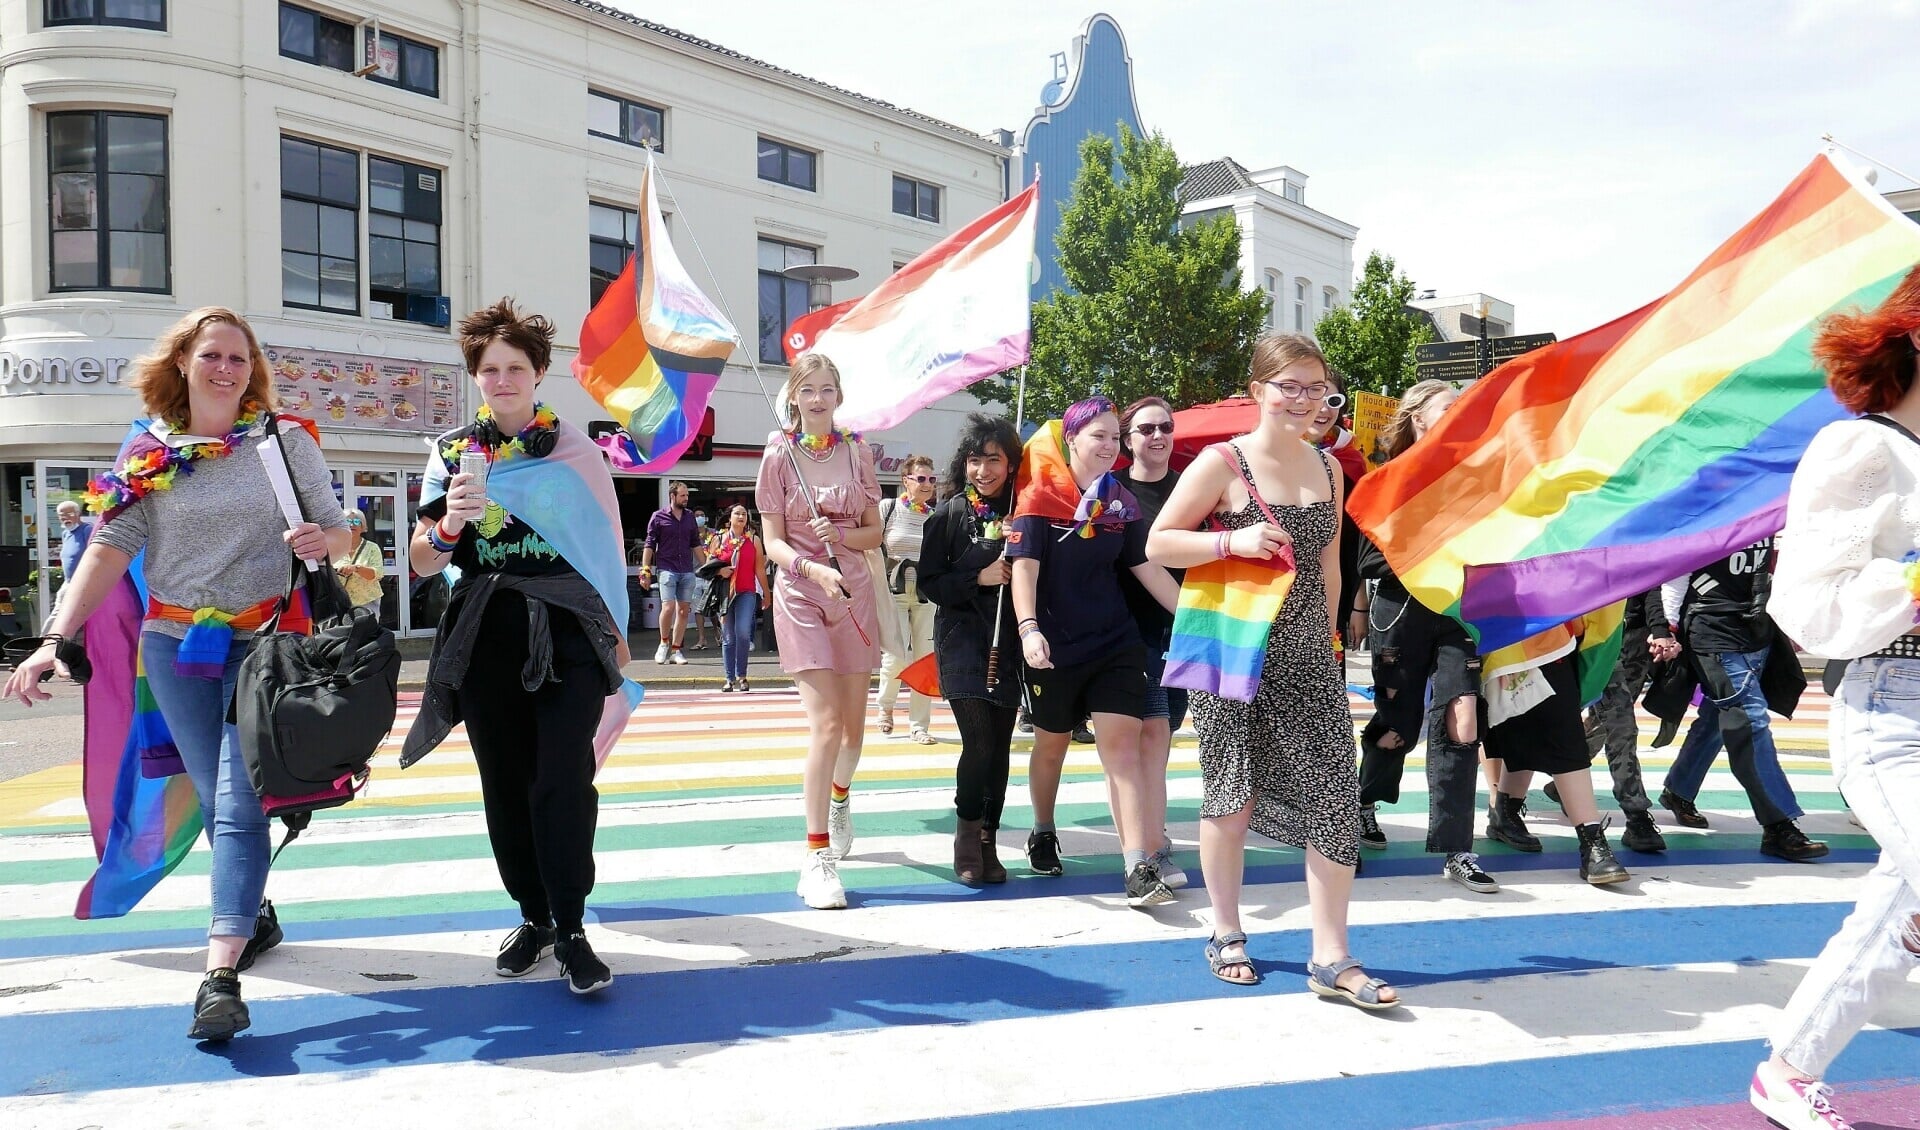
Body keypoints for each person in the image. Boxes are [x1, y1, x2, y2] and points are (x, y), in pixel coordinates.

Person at [4, 306, 350, 1040]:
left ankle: (218, 974)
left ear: (252, 368)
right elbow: (110, 544)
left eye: (239, 357)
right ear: (183, 364)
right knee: (214, 787)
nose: (227, 368)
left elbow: (343, 526)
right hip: (174, 647)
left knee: (238, 802)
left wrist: (330, 536)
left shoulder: (284, 442)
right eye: (212, 355)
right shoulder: (148, 449)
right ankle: (252, 913)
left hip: (266, 644)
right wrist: (54, 637)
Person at [1147, 333, 1396, 1006]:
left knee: (1337, 797)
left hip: (1310, 656)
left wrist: (1334, 640)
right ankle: (1225, 931)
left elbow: (1330, 565)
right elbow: (1159, 542)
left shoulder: (1331, 467)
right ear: (1258, 391)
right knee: (1233, 791)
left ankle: (1332, 956)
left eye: (1316, 388)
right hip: (1234, 648)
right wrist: (1234, 539)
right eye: (1290, 386)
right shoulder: (1221, 462)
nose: (1304, 400)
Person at [403, 298, 630, 996]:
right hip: (485, 634)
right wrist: (448, 527)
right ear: (475, 376)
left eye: (516, 368)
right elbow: (418, 560)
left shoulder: (574, 451)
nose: (502, 380)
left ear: (538, 375)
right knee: (504, 786)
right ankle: (534, 917)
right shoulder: (450, 453)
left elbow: (605, 549)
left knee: (561, 782)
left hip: (566, 631)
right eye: (489, 369)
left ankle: (572, 926)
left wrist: (616, 639)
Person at [1747, 262, 1920, 1130]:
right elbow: (1808, 612)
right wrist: (1914, 581)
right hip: (1893, 714)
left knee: (1896, 913)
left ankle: (1789, 1071)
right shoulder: (1862, 447)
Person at [1009, 395, 1180, 906]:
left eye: (1112, 436)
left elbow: (1145, 568)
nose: (1107, 446)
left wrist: (1196, 624)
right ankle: (1042, 827)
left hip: (1116, 643)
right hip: (1054, 646)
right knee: (1051, 747)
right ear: (1072, 441)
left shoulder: (1119, 502)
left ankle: (1137, 868)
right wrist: (1028, 628)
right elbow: (1025, 568)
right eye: (1097, 436)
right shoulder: (1039, 498)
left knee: (1123, 749)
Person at [1352, 381, 1500, 894]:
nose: (1459, 414)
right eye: (1448, 407)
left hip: (1460, 613)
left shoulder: (1477, 475)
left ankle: (1458, 848)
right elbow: (1366, 559)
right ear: (1417, 417)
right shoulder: (1389, 478)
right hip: (1401, 613)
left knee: (1463, 721)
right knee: (1398, 722)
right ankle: (1362, 804)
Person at [756, 353, 883, 910]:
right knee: (826, 726)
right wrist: (811, 568)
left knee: (854, 735)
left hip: (853, 597)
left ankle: (839, 796)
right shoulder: (777, 454)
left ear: (839, 395)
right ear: (794, 396)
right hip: (802, 593)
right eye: (809, 389)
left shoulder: (858, 453)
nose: (819, 398)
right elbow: (773, 541)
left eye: (828, 388)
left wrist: (842, 538)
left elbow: (875, 533)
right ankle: (817, 858)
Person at [1652, 542, 1828, 861]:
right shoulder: (1714, 509)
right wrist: (1666, 628)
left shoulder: (1770, 510)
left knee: (1715, 719)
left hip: (1758, 629)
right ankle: (1778, 824)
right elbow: (1676, 571)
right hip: (1712, 629)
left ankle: (1679, 789)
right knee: (1750, 721)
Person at [918, 415, 1024, 885]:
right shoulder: (948, 515)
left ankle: (988, 838)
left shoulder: (1025, 512)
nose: (983, 469)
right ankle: (965, 833)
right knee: (978, 743)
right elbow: (929, 583)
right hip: (961, 640)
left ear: (1011, 463)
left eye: (994, 460)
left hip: (1010, 642)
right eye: (975, 460)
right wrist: (977, 578)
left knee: (1000, 747)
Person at [1117, 395, 1188, 888]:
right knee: (1149, 734)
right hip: (1128, 631)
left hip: (1185, 628)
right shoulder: (1112, 491)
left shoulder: (1191, 487)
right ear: (1128, 440)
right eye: (1146, 429)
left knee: (1164, 736)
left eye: (1165, 426)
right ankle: (1152, 844)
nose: (1158, 435)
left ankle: (1152, 833)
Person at [1555, 586, 1671, 853]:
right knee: (1521, 726)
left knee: (1620, 724)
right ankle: (1512, 804)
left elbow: (1647, 582)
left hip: (1607, 643)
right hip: (1554, 638)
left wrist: (1660, 629)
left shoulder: (1626, 547)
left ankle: (1636, 814)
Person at [875, 455, 940, 743]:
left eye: (931, 479)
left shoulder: (935, 516)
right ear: (906, 480)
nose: (927, 484)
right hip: (894, 591)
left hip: (927, 595)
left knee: (925, 659)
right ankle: (885, 708)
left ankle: (919, 725)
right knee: (897, 656)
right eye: (921, 478)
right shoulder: (888, 509)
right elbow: (871, 547)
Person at [638, 480, 705, 664]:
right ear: (672, 496)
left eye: (687, 496)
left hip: (686, 570)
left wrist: (707, 567)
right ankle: (663, 643)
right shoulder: (658, 516)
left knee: (683, 611)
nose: (686, 499)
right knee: (667, 607)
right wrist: (645, 570)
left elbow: (695, 543)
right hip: (667, 568)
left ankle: (676, 650)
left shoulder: (690, 517)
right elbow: (649, 544)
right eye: (682, 495)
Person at [712, 504, 768, 693]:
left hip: (747, 591)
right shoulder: (718, 539)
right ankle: (729, 679)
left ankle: (742, 676)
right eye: (738, 513)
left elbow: (760, 568)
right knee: (728, 637)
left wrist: (767, 593)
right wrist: (720, 570)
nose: (742, 516)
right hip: (725, 594)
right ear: (730, 518)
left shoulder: (754, 540)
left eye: (745, 514)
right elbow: (707, 568)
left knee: (743, 632)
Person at [333, 507, 385, 613]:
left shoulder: (372, 548)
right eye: (348, 521)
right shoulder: (333, 547)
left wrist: (356, 568)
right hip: (338, 602)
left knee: (365, 630)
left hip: (366, 602)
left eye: (356, 521)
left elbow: (377, 574)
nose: (352, 524)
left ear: (363, 527)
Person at [689, 509, 713, 650]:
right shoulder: (690, 533)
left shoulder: (713, 533)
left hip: (710, 574)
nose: (699, 518)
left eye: (701, 515)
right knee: (698, 609)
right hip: (695, 574)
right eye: (696, 516)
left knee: (713, 608)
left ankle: (717, 633)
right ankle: (702, 638)